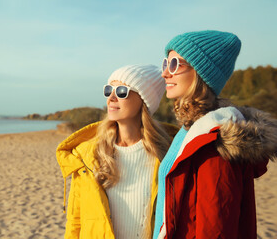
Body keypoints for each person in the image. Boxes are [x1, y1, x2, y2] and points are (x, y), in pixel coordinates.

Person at [152, 30, 277, 239]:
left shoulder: (214, 140)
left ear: (201, 72)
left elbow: (215, 228)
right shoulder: (189, 130)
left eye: (175, 64)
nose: (165, 73)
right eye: (166, 64)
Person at [56, 64, 178, 239]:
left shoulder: (168, 154)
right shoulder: (88, 156)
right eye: (108, 90)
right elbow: (75, 220)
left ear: (144, 100)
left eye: (122, 91)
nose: (111, 98)